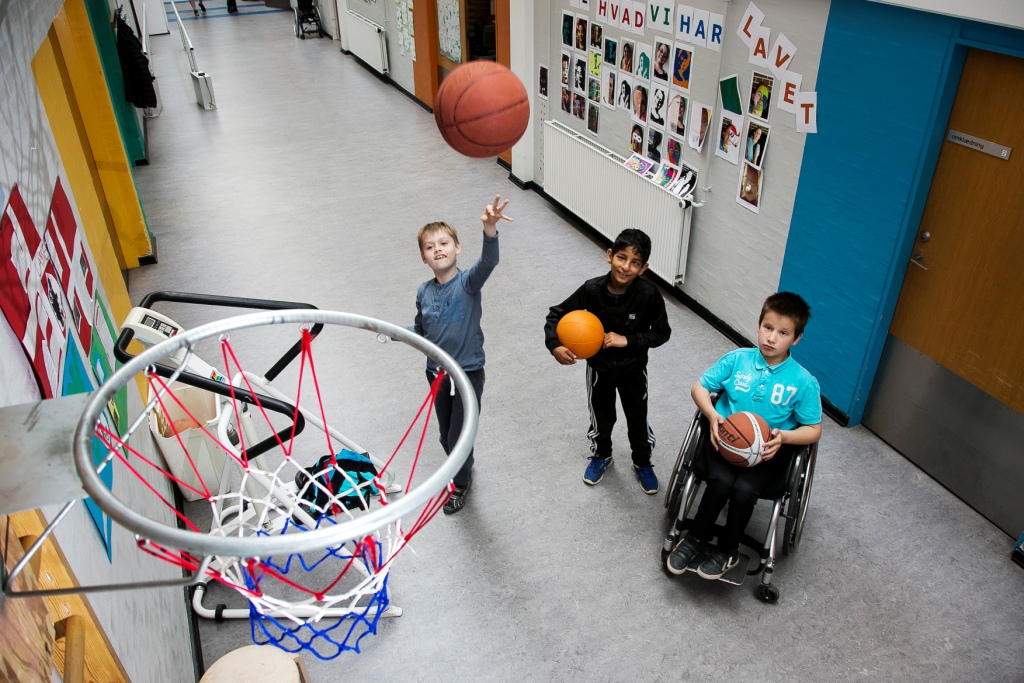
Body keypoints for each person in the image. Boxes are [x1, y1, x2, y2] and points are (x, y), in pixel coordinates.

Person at [666, 292, 821, 579]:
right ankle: (696, 538)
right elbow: (699, 388)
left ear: (796, 338)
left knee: (743, 490)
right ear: (759, 324)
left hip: (768, 452)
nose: (771, 338)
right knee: (721, 482)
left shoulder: (803, 381)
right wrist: (713, 416)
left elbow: (813, 429)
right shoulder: (737, 359)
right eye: (767, 327)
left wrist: (785, 439)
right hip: (724, 441)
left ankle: (727, 550)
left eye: (783, 333)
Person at [544, 230, 672, 494]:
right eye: (621, 258)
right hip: (599, 370)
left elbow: (662, 333)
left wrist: (629, 340)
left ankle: (643, 462)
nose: (626, 267)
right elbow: (555, 315)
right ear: (610, 255)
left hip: (634, 370)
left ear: (643, 268)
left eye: (635, 262)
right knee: (601, 418)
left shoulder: (648, 295)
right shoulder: (592, 290)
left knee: (638, 419)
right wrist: (554, 345)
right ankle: (602, 455)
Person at [412, 196, 512, 514]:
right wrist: (389, 330)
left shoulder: (468, 283)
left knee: (458, 437)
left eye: (444, 243)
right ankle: (463, 463)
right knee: (445, 435)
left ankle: (462, 481)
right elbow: (420, 331)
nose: (438, 249)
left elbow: (489, 263)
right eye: (430, 247)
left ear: (457, 248)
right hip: (436, 374)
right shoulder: (423, 292)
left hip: (467, 372)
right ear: (424, 258)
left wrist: (489, 229)